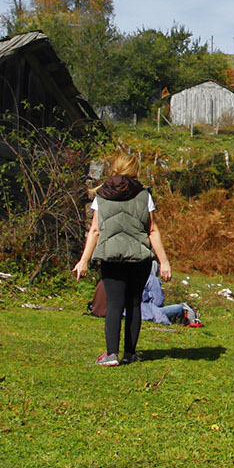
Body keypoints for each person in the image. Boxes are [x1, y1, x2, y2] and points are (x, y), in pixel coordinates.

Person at [72, 153, 173, 367]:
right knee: (134, 303)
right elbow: (152, 230)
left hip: (110, 256)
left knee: (114, 304)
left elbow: (95, 230)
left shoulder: (102, 194)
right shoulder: (144, 194)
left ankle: (111, 354)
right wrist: (164, 262)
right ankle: (130, 353)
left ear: (115, 169)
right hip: (139, 257)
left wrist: (84, 260)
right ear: (135, 170)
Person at [140, 260, 201, 327]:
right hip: (147, 312)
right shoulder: (153, 279)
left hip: (129, 311)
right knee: (179, 308)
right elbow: (158, 302)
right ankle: (180, 324)